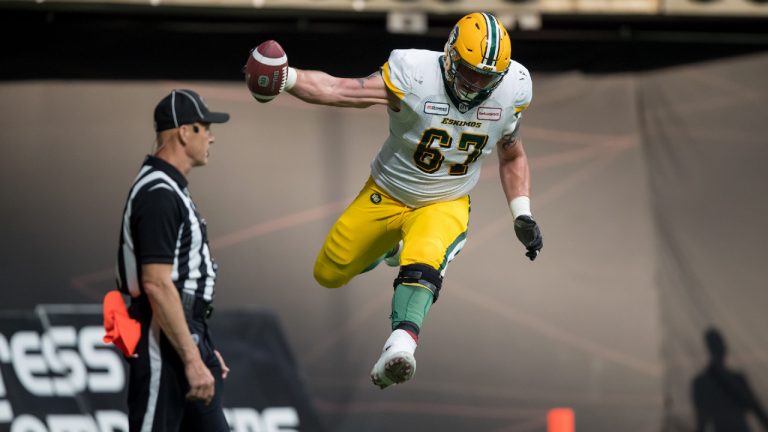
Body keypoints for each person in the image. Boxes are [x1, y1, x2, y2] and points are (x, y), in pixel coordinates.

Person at [274, 11, 543, 389]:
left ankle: (400, 344)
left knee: (426, 260)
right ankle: (391, 248)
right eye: (469, 71)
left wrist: (522, 212)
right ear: (449, 55)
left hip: (446, 200)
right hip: (387, 191)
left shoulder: (513, 88)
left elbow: (512, 154)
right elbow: (340, 90)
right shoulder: (414, 73)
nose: (476, 83)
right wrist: (286, 78)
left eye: (486, 77)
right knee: (330, 272)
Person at [114, 89, 232, 430]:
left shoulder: (169, 187)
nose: (211, 137)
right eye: (204, 127)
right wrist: (192, 359)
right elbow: (156, 283)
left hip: (184, 331)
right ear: (184, 131)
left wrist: (201, 347)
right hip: (161, 335)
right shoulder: (159, 192)